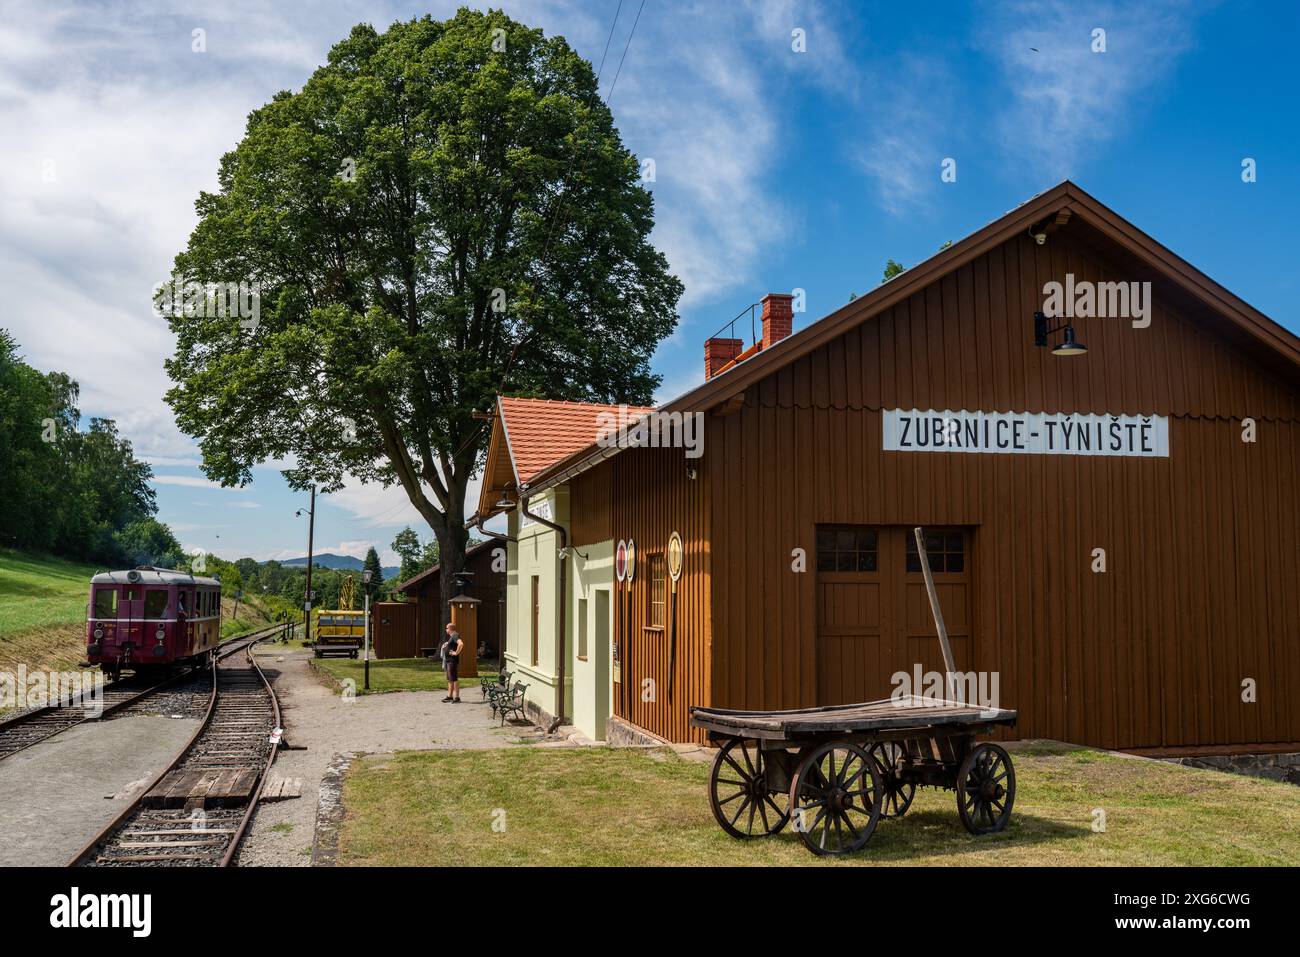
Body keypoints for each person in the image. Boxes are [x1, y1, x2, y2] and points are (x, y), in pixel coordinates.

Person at [441, 621, 463, 703]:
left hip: (452, 661)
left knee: (454, 679)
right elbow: (454, 645)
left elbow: (461, 644)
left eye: (446, 628)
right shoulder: (452, 636)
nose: (446, 629)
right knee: (450, 679)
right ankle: (449, 696)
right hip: (449, 661)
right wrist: (447, 645)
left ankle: (457, 698)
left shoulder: (455, 635)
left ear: (450, 629)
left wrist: (456, 652)